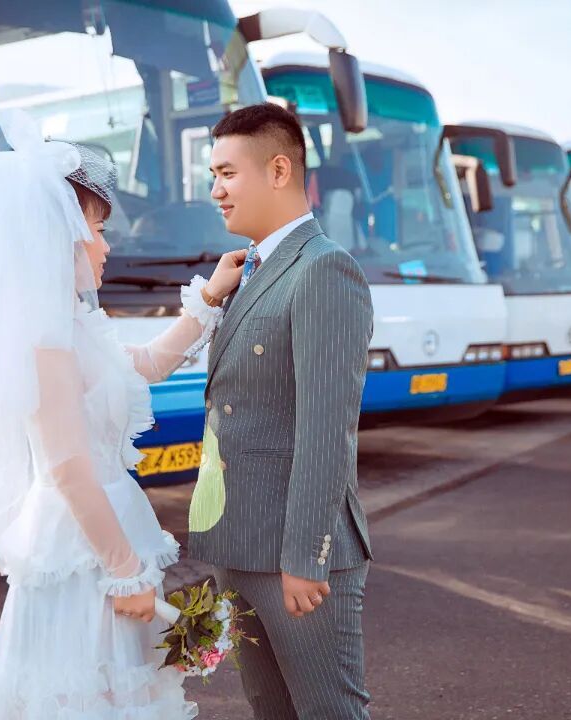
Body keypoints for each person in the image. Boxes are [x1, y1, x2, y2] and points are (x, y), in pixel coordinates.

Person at [0, 110, 245, 719]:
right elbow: (69, 469)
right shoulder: (44, 342)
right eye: (97, 229)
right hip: (84, 551)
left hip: (101, 536)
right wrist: (125, 572)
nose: (107, 245)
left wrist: (208, 296)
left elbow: (146, 363)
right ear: (59, 238)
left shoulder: (72, 324)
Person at [188, 102, 375, 719]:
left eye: (227, 173)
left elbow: (327, 429)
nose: (216, 190)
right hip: (239, 543)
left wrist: (305, 556)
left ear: (277, 170)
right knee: (269, 711)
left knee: (329, 712)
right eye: (213, 176)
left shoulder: (324, 269)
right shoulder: (247, 270)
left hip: (296, 558)